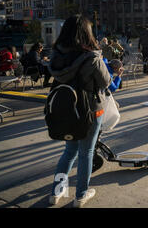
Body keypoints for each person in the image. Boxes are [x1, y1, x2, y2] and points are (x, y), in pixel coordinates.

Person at [47, 15, 111, 208]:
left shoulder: (56, 55)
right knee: (86, 153)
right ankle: (81, 195)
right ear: (87, 33)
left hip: (66, 110)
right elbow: (106, 82)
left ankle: (56, 193)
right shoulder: (92, 57)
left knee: (69, 152)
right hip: (90, 110)